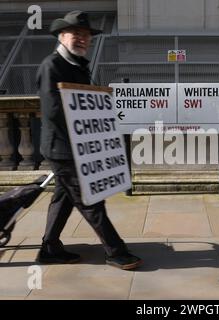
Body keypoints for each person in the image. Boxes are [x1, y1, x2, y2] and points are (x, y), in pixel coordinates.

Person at [36, 11, 142, 270]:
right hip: (64, 149)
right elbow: (53, 112)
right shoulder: (52, 66)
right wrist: (90, 136)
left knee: (64, 198)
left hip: (77, 147)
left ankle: (50, 248)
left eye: (86, 36)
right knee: (90, 199)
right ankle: (115, 251)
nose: (83, 39)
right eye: (76, 34)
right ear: (62, 36)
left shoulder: (78, 66)